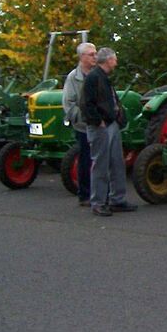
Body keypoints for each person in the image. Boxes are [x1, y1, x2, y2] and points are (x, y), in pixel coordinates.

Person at [83, 47, 136, 217]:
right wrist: (98, 121)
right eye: (114, 59)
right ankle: (98, 203)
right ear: (108, 60)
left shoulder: (104, 77)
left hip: (111, 123)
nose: (116, 62)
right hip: (101, 126)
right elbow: (86, 103)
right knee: (101, 164)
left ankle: (117, 199)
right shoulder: (93, 78)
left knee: (117, 162)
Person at [62, 41, 97, 208]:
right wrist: (83, 118)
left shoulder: (97, 74)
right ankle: (84, 195)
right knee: (85, 160)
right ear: (82, 57)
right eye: (91, 54)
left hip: (99, 124)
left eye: (95, 53)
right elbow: (68, 103)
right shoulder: (73, 78)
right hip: (83, 126)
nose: (95, 57)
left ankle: (100, 193)